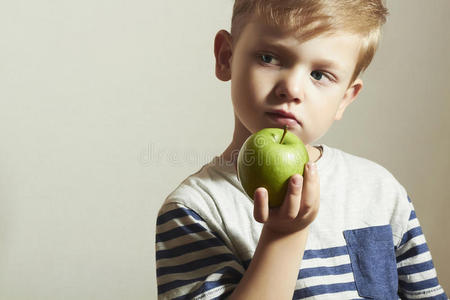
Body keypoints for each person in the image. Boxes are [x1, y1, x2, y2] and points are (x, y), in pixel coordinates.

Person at [155, 1, 447, 299]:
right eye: (269, 58)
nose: (292, 89)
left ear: (346, 98)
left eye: (320, 75)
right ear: (226, 57)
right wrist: (283, 236)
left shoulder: (380, 191)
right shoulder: (195, 209)